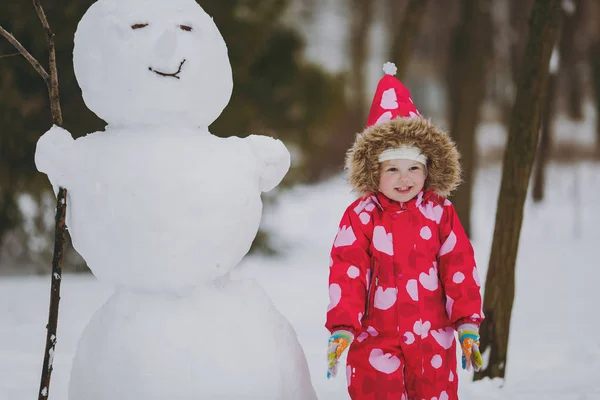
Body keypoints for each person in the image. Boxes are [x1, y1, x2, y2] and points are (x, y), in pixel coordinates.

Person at [325, 62, 484, 400]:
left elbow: (458, 266)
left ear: (428, 170)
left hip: (432, 343)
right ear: (374, 171)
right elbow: (347, 271)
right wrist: (343, 327)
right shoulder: (362, 216)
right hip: (376, 341)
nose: (404, 178)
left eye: (414, 168)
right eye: (392, 169)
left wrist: (467, 322)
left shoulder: (439, 212)